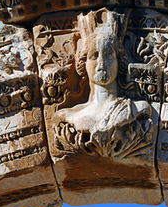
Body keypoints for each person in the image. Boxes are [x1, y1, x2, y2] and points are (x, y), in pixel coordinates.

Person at [54, 9, 154, 161]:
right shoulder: (67, 115)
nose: (102, 63)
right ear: (83, 64)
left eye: (109, 55)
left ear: (119, 61)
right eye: (94, 56)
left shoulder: (138, 109)